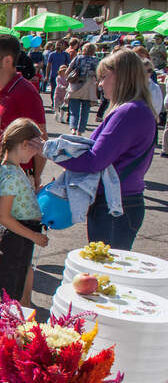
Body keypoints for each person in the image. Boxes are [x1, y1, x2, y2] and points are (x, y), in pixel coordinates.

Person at [57, 49, 157, 250]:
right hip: (122, 202)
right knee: (107, 269)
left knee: (105, 270)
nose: (100, 84)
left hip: (115, 205)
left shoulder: (128, 111)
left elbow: (94, 160)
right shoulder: (137, 109)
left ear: (121, 76)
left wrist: (54, 153)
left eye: (103, 77)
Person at [0, 34, 47, 289]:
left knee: (14, 250)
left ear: (7, 61)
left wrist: (35, 179)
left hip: (15, 181)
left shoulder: (25, 91)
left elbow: (40, 138)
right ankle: (6, 299)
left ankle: (11, 303)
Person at [0, 119, 48, 304]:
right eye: (35, 147)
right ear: (23, 144)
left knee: (15, 289)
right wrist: (33, 236)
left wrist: (35, 193)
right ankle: (2, 332)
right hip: (16, 238)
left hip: (18, 237)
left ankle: (10, 328)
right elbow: (4, 217)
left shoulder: (13, 169)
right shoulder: (11, 174)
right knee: (9, 297)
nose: (37, 153)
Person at [66, 43, 100, 135]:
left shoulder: (78, 58)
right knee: (85, 111)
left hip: (75, 85)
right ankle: (80, 131)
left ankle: (73, 128)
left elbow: (68, 70)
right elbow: (99, 74)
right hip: (88, 87)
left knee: (74, 110)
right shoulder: (95, 60)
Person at [45, 40, 70, 105]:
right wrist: (47, 76)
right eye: (57, 44)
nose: (58, 46)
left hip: (63, 76)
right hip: (53, 75)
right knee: (53, 90)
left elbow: (68, 65)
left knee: (63, 90)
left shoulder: (66, 54)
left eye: (59, 45)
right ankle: (54, 102)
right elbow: (48, 65)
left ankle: (62, 103)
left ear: (63, 46)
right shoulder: (52, 54)